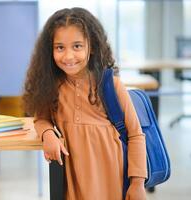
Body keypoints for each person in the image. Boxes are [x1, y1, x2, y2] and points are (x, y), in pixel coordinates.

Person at [23, 7, 147, 200]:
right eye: (60, 47)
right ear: (50, 50)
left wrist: (137, 183)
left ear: (93, 46)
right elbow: (41, 119)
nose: (68, 56)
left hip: (111, 177)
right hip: (73, 178)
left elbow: (136, 135)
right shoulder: (50, 86)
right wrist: (48, 135)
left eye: (77, 46)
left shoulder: (110, 84)